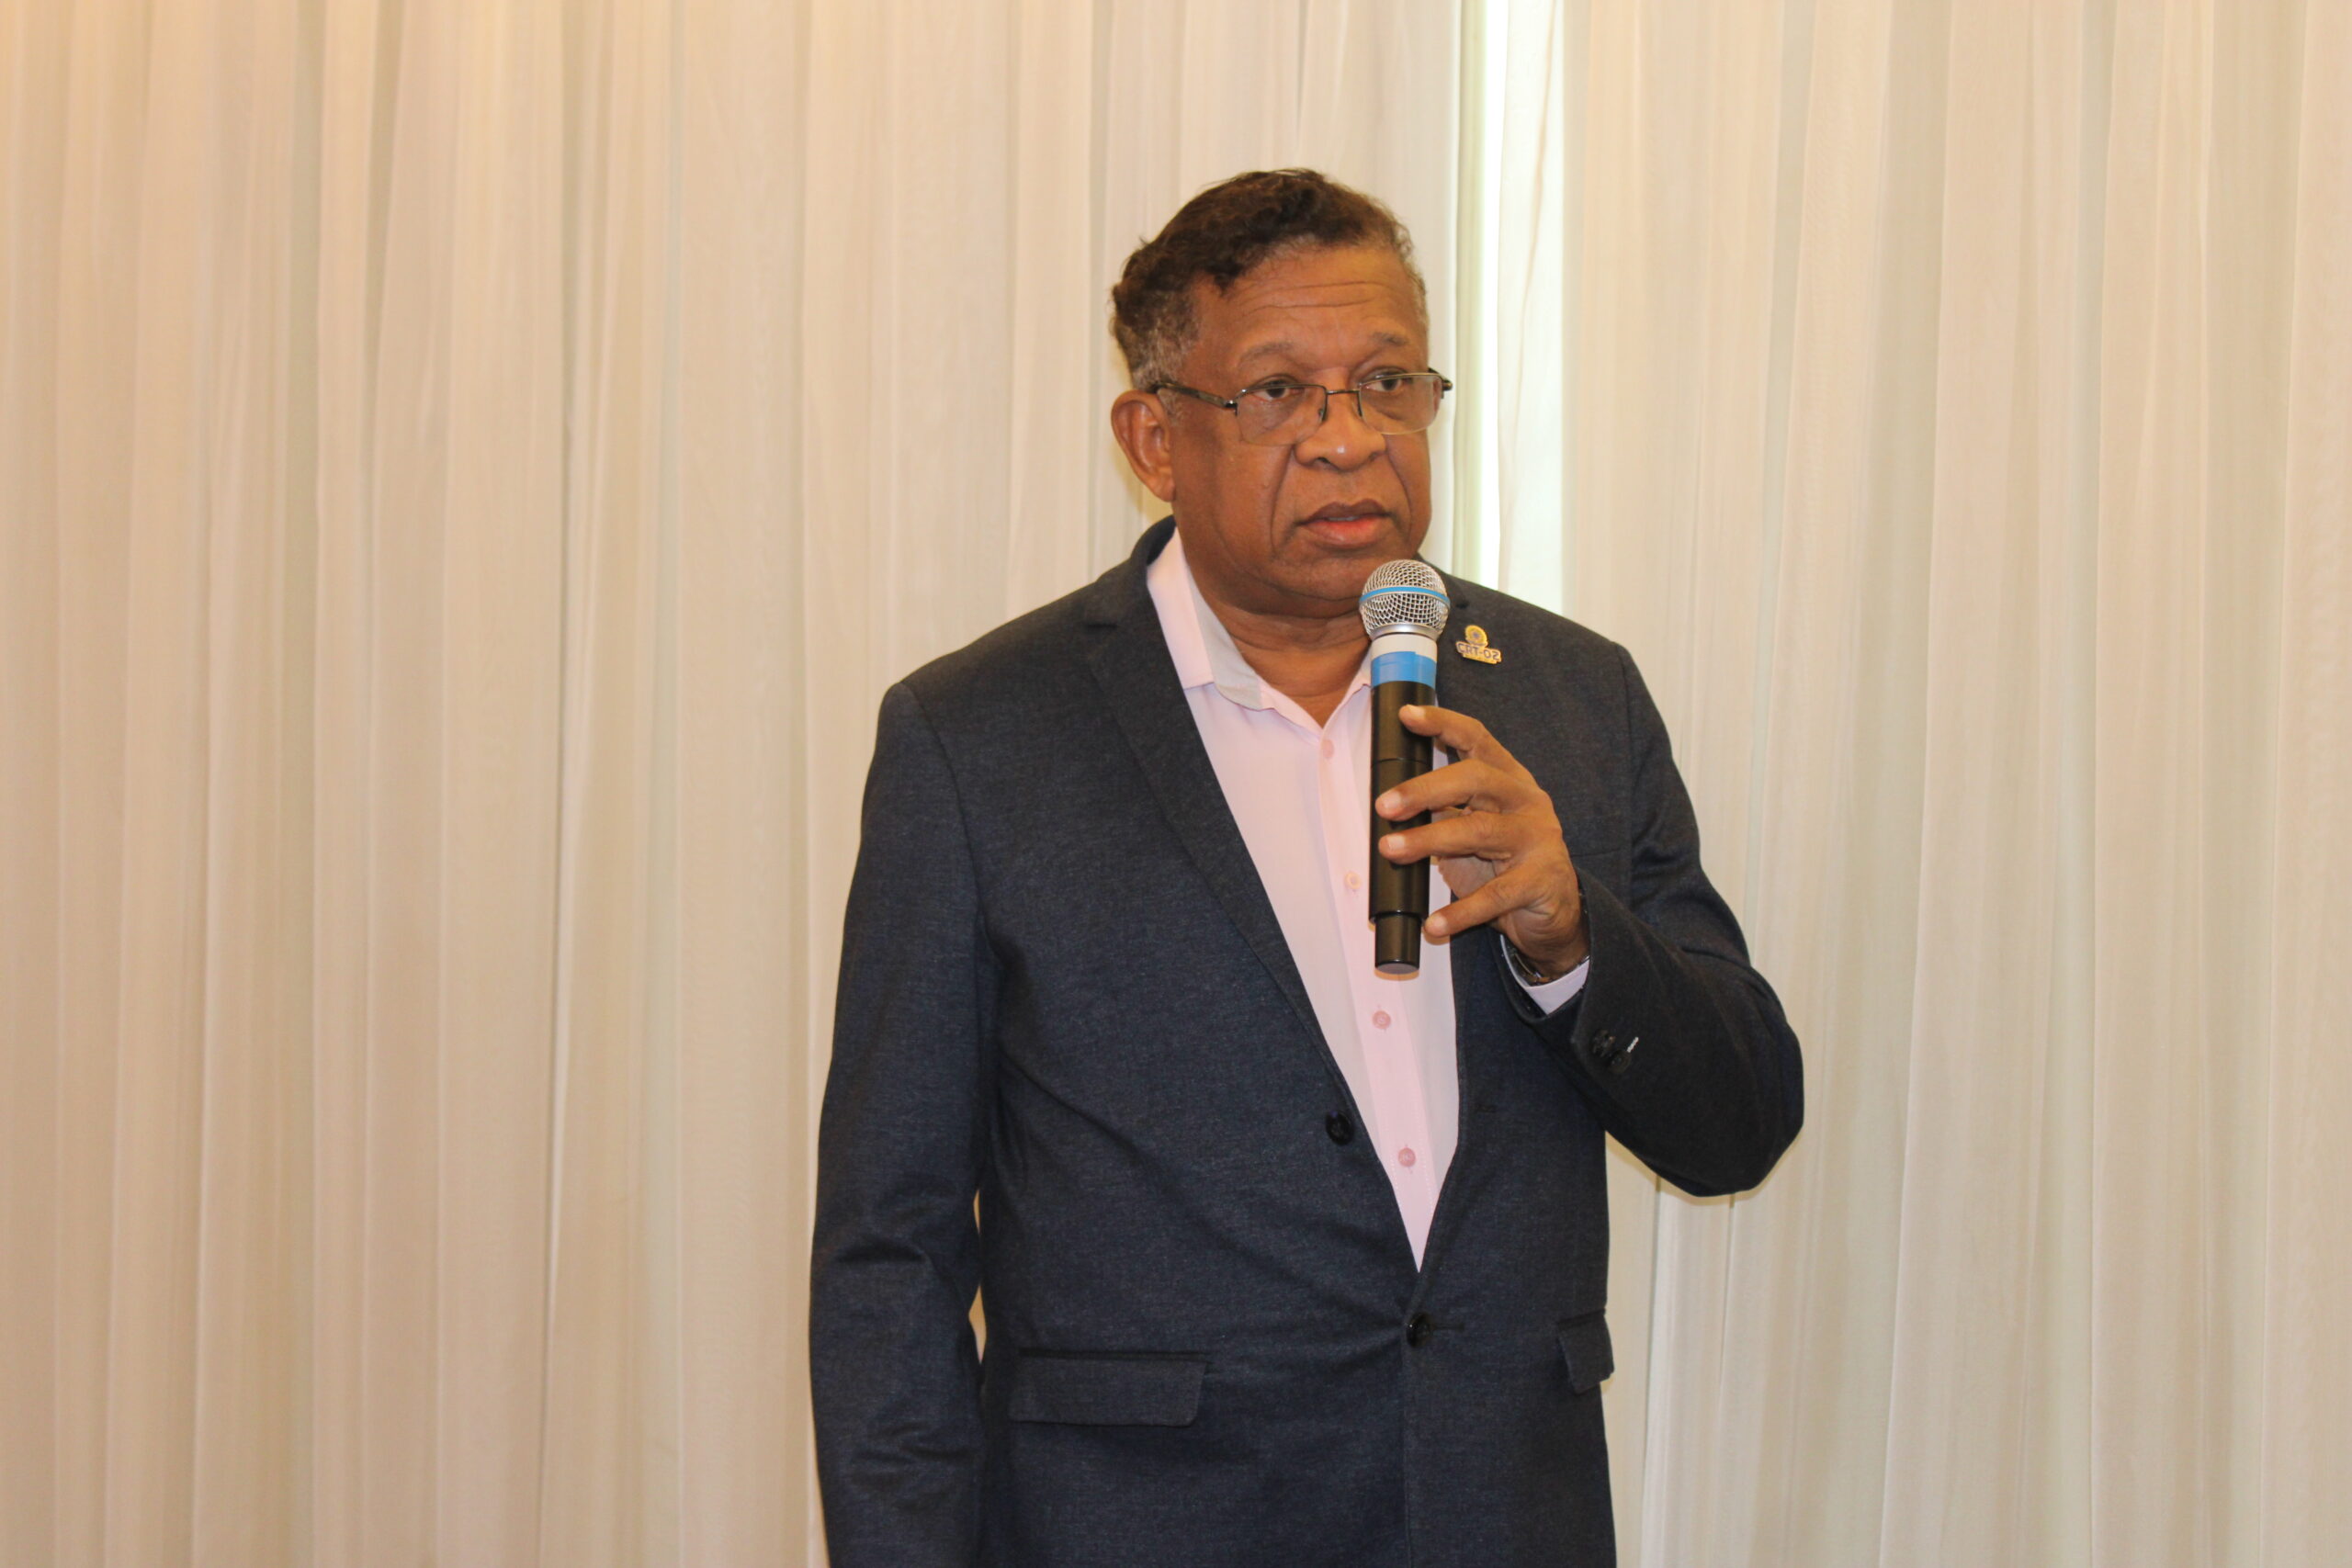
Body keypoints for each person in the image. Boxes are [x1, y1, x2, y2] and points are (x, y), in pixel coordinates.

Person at [809, 168, 1802, 1568]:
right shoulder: (981, 739)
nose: (1350, 440)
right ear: (1153, 437)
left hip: (1499, 1518)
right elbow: (890, 1251)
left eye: (1390, 383)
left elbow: (1738, 1127)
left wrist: (1573, 935)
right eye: (1280, 393)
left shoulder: (1574, 699)